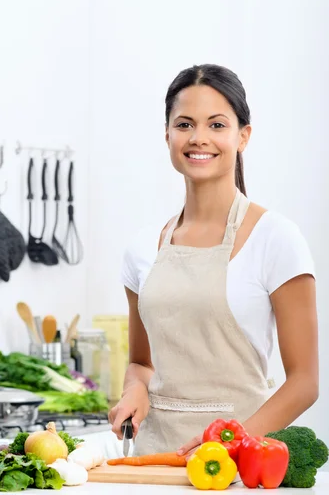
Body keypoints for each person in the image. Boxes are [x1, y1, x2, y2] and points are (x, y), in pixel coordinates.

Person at [109, 63, 318, 457]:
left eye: (217, 125)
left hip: (239, 465)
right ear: (168, 134)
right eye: (185, 124)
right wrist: (134, 390)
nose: (199, 138)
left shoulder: (275, 238)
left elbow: (305, 382)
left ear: (243, 136)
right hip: (154, 463)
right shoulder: (141, 249)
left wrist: (227, 442)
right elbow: (141, 362)